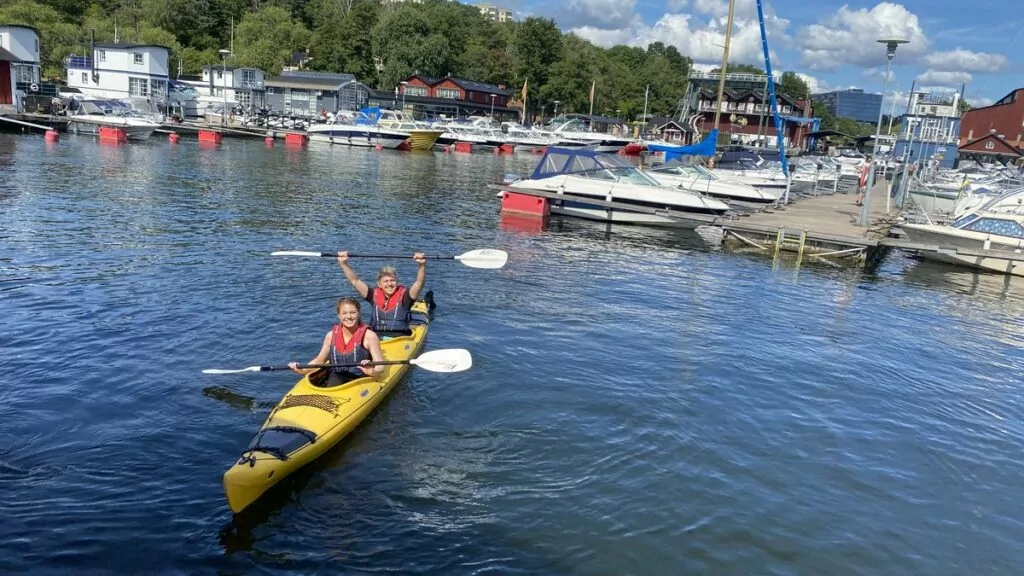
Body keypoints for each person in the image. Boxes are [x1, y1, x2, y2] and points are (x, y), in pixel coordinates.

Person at [288, 297, 385, 386]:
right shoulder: (330, 336)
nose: (349, 316)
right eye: (344, 313)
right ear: (339, 315)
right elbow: (319, 360)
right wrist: (301, 369)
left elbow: (380, 367)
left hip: (362, 378)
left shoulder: (369, 336)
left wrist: (371, 371)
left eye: (353, 312)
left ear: (359, 313)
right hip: (337, 375)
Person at [337, 251, 427, 338]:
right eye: (386, 281)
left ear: (397, 282)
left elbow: (419, 283)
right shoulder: (372, 294)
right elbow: (355, 281)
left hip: (401, 338)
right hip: (376, 337)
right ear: (379, 284)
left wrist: (421, 265)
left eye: (392, 280)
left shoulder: (406, 297)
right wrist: (344, 264)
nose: (390, 284)